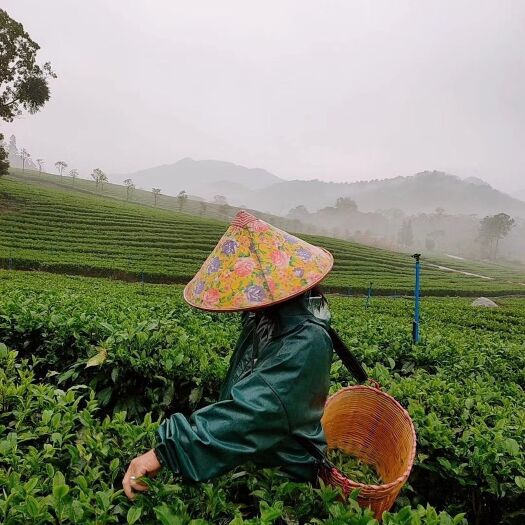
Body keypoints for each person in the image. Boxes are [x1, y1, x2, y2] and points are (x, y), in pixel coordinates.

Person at [123, 210, 335, 500]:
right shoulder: (268, 318)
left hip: (284, 477)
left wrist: (168, 451)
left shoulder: (304, 341)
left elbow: (256, 411)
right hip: (257, 457)